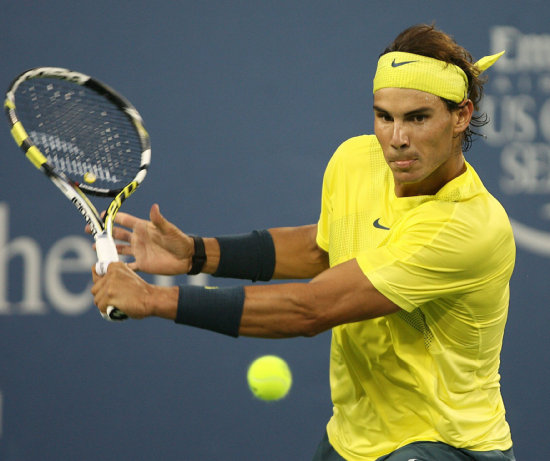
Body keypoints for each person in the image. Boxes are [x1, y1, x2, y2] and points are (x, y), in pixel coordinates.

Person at [90, 24, 516, 461]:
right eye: (384, 116)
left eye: (417, 118)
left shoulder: (467, 227)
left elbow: (312, 308)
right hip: (353, 439)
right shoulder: (357, 160)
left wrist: (155, 301)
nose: (396, 139)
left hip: (448, 444)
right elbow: (323, 249)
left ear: (460, 116)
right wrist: (198, 254)